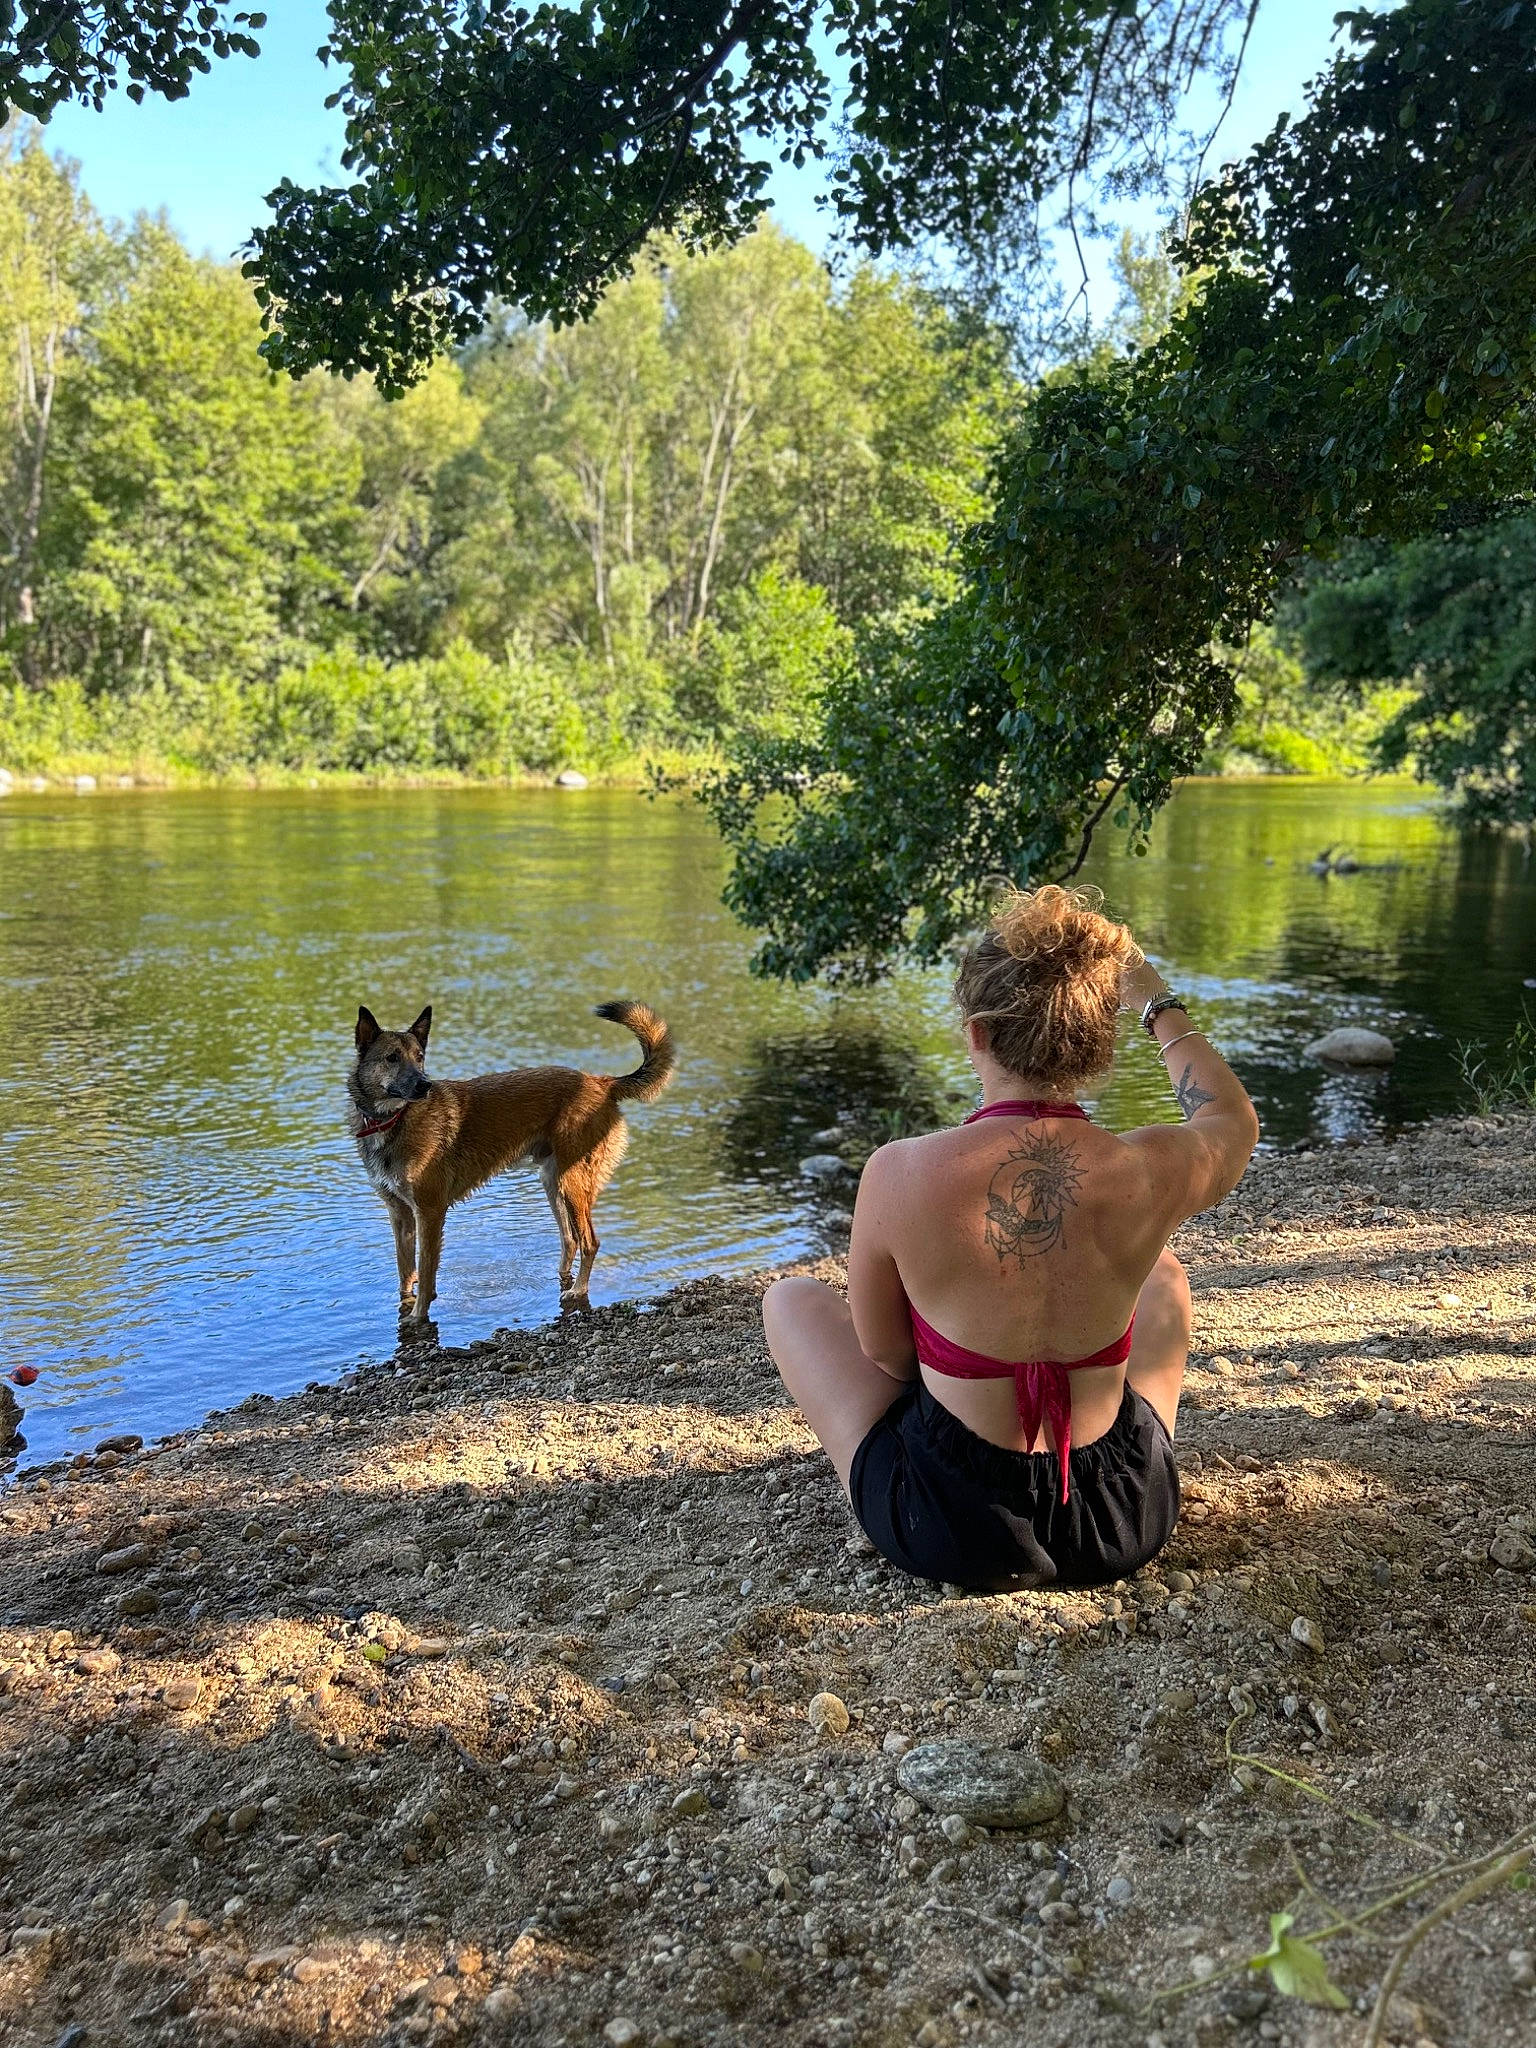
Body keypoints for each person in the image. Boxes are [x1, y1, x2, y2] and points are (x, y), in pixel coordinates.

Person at [762, 884, 1259, 1592]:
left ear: (978, 1034)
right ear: (1100, 1046)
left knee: (789, 1300)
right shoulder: (1148, 1169)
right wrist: (1154, 999)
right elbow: (1233, 1122)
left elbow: (887, 1357)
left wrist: (974, 1339)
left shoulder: (899, 1172)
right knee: (1164, 1274)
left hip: (950, 1530)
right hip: (1123, 1519)